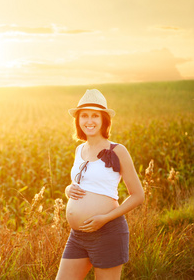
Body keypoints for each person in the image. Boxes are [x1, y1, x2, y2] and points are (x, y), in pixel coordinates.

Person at [56, 89, 145, 280]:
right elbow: (83, 183)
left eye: (95, 116)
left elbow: (138, 195)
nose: (89, 121)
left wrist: (104, 219)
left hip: (108, 232)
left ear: (104, 120)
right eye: (84, 116)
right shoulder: (79, 149)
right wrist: (68, 189)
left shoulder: (118, 150)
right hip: (78, 236)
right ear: (78, 120)